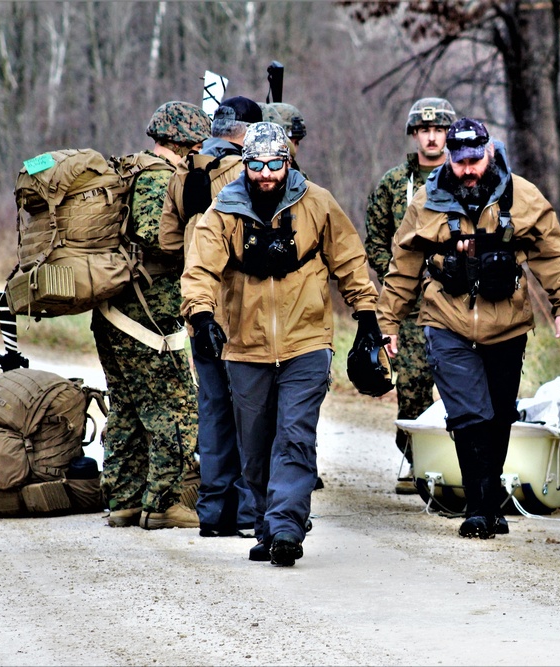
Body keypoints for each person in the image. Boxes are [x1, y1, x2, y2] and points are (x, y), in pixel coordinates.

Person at [181, 122, 381, 566]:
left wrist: (367, 317)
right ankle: (268, 526)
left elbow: (349, 259)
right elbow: (200, 269)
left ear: (288, 162)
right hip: (245, 345)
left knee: (294, 434)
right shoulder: (224, 209)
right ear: (245, 164)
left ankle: (288, 527)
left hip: (306, 340)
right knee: (253, 447)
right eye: (257, 164)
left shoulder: (318, 203)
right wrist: (201, 314)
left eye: (275, 164)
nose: (267, 173)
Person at [377, 117, 560, 539]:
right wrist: (388, 322)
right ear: (449, 158)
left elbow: (553, 254)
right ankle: (479, 506)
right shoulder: (425, 200)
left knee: (499, 415)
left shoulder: (521, 196)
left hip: (506, 322)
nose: (468, 168)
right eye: (460, 160)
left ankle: (489, 503)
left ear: (489, 152)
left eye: (474, 158)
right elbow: (402, 267)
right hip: (445, 319)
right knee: (470, 414)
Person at [94, 101, 209, 530]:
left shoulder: (131, 170)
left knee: (126, 404)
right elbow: (156, 238)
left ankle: (123, 499)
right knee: (176, 407)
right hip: (148, 318)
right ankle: (162, 502)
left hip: (114, 312)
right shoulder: (161, 179)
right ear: (185, 143)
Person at [160, 96, 260, 537]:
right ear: (250, 132)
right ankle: (247, 512)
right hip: (242, 309)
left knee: (213, 408)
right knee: (252, 410)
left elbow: (166, 241)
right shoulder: (249, 172)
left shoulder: (185, 170)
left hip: (198, 309)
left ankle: (213, 511)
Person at [364, 97, 457, 494]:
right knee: (414, 383)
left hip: (456, 298)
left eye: (439, 130)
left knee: (458, 381)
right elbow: (376, 238)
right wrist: (399, 275)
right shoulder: (393, 183)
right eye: (425, 130)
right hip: (410, 304)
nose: (432, 137)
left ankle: (456, 463)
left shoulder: (464, 176)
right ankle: (417, 461)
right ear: (415, 134)